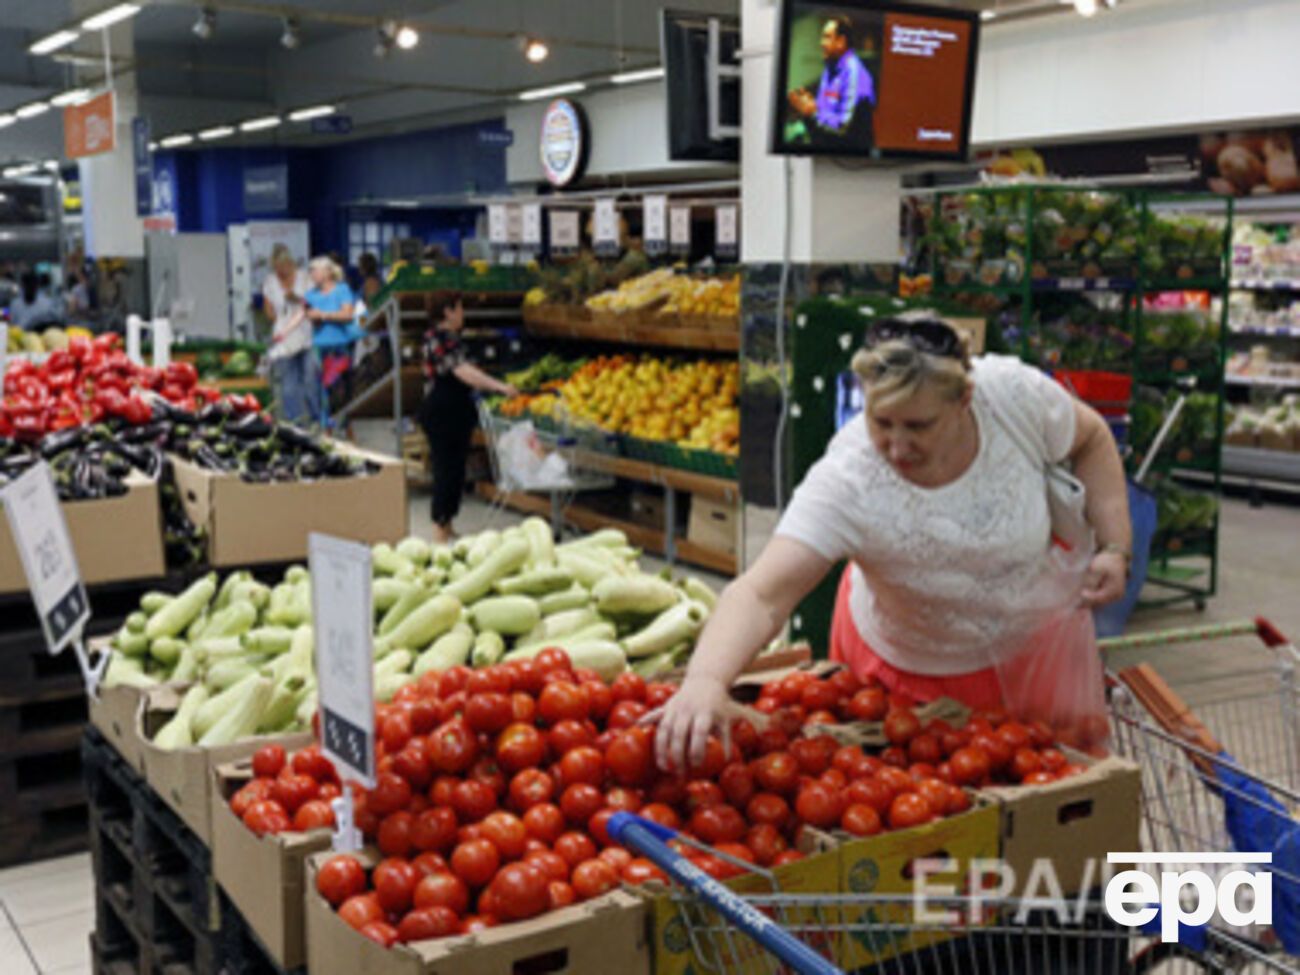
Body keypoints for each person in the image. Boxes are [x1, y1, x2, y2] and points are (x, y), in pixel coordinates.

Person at [651, 315, 1131, 771]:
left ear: (965, 399)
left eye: (919, 426)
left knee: (1051, 787)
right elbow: (762, 593)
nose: (898, 447)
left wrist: (1115, 546)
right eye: (881, 422)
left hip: (1033, 653)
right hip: (906, 668)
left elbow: (1091, 439)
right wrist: (705, 681)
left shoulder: (1010, 397)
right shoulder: (849, 477)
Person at [418, 292, 518, 543]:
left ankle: (448, 523)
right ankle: (439, 528)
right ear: (448, 312)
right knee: (446, 469)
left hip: (454, 410)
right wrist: (499, 386)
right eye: (460, 308)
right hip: (442, 411)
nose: (463, 314)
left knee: (456, 468)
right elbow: (462, 371)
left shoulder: (450, 338)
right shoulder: (439, 339)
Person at [789, 15, 877, 148]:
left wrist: (813, 113)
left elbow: (843, 127)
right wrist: (809, 109)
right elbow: (823, 116)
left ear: (841, 41)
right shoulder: (830, 67)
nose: (821, 43)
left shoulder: (856, 74)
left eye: (827, 37)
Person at [263, 245, 318, 426]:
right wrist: (280, 321)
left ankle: (317, 418)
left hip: (307, 336)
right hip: (285, 340)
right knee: (288, 385)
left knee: (310, 380)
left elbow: (315, 304)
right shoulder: (270, 282)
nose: (280, 272)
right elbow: (268, 310)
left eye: (283, 267)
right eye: (276, 268)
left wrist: (297, 300)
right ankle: (296, 423)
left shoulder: (305, 279)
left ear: (290, 263)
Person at [304, 256, 360, 420]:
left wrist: (323, 315)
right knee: (315, 387)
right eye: (310, 271)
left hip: (339, 346)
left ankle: (343, 423)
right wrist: (312, 318)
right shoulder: (310, 295)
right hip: (316, 346)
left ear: (327, 273)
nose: (311, 274)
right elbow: (308, 316)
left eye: (315, 271)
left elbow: (348, 315)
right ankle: (322, 423)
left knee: (339, 388)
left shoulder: (342, 290)